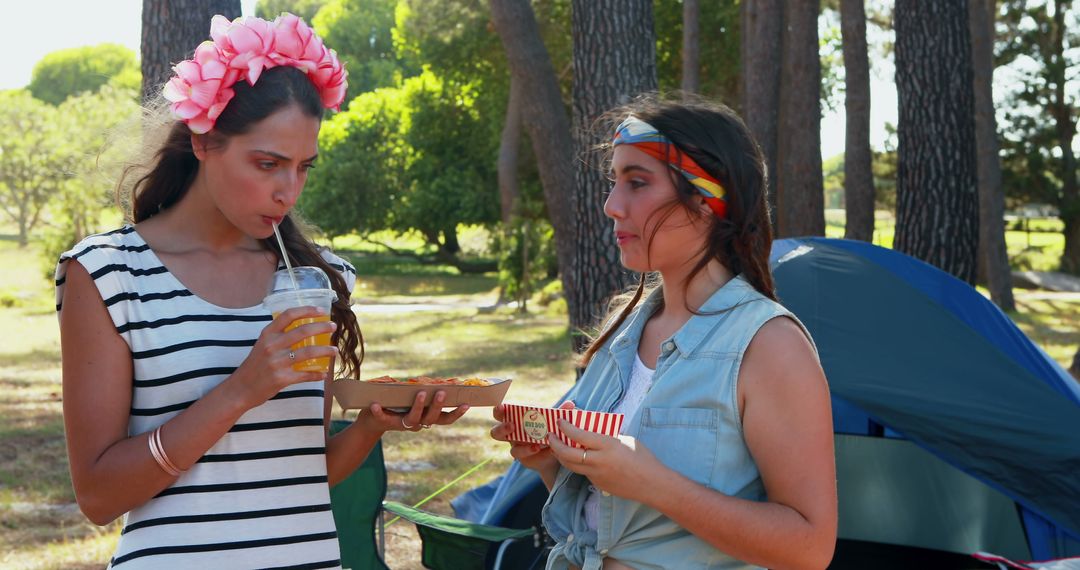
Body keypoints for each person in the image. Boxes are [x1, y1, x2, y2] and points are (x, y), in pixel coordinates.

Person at [55, 14, 465, 569]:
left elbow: (299, 469)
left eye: (303, 168)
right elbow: (99, 497)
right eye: (267, 164)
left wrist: (371, 424)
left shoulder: (315, 280)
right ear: (203, 141)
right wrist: (241, 389)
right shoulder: (108, 273)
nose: (287, 191)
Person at [491, 95, 837, 570]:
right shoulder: (623, 332)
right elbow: (611, 523)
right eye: (615, 183)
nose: (613, 206)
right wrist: (552, 465)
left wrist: (651, 481)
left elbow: (810, 548)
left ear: (707, 199)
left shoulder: (770, 346)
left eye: (637, 183)